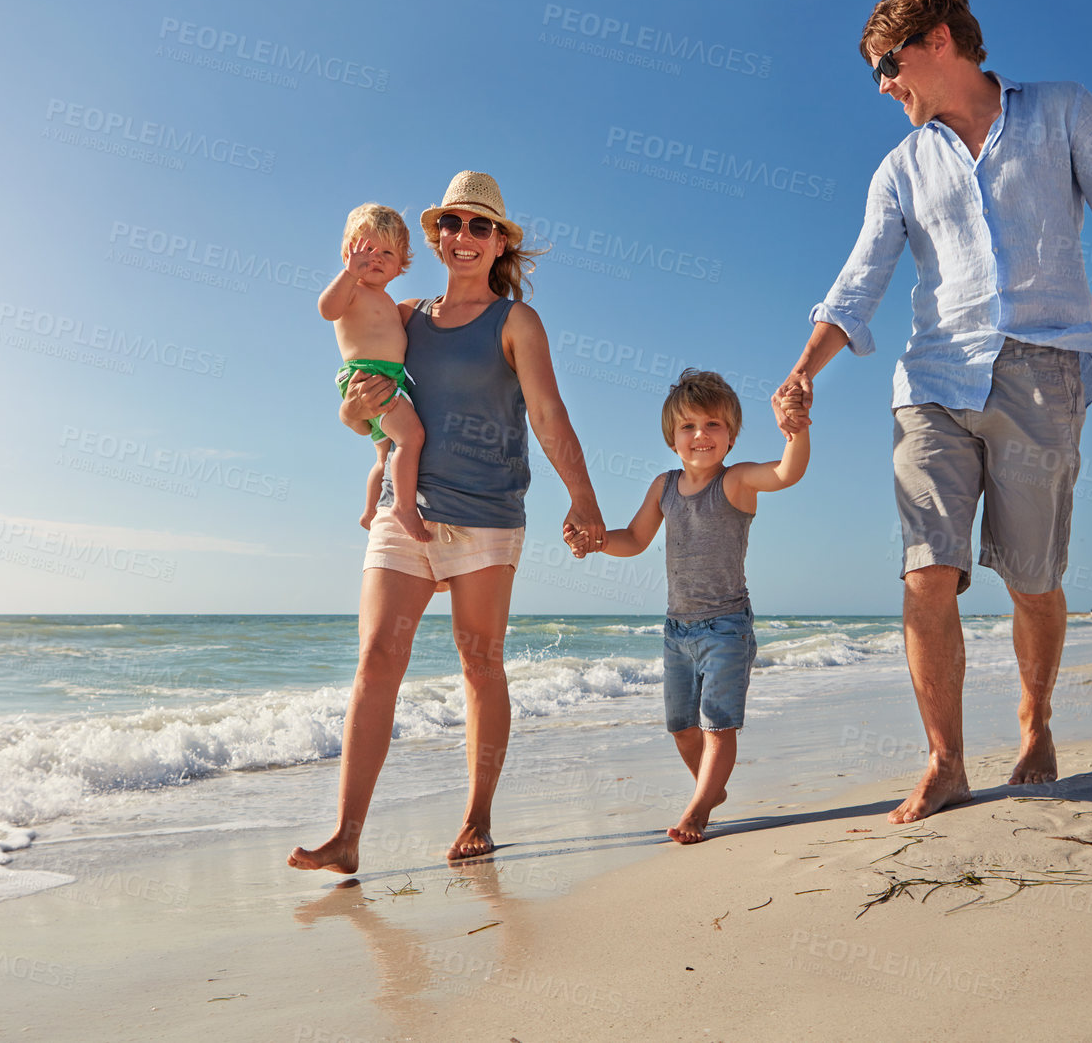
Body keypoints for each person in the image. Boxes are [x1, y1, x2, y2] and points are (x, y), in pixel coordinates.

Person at [779, 0, 1092, 825]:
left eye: (888, 64)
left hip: (1043, 371)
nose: (884, 85)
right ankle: (947, 760)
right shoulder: (900, 167)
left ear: (940, 43)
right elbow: (857, 284)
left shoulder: (1061, 112)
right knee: (928, 571)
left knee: (1033, 582)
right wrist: (804, 368)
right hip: (930, 383)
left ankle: (1035, 717)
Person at [290, 171, 605, 873]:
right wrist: (354, 409)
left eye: (479, 227)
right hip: (410, 512)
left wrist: (582, 499)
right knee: (376, 661)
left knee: (479, 662)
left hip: (488, 515)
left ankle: (477, 817)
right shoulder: (403, 317)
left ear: (500, 244)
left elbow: (549, 417)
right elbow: (363, 408)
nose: (464, 238)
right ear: (435, 239)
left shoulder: (515, 321)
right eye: (452, 226)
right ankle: (346, 837)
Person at [582, 370, 810, 844]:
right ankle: (711, 789)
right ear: (672, 439)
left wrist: (796, 432)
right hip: (676, 630)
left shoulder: (737, 480)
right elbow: (635, 539)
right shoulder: (664, 486)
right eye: (688, 427)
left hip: (726, 626)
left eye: (712, 425)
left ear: (730, 437)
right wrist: (598, 542)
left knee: (717, 727)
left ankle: (698, 809)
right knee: (682, 727)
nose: (700, 435)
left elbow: (787, 472)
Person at [319, 205, 428, 542]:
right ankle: (404, 508)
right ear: (348, 254)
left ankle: (369, 511)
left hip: (389, 377)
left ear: (400, 265)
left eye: (386, 253)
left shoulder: (391, 303)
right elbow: (327, 309)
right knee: (412, 438)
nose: (376, 259)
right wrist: (350, 274)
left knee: (384, 454)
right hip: (369, 377)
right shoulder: (352, 291)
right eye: (366, 251)